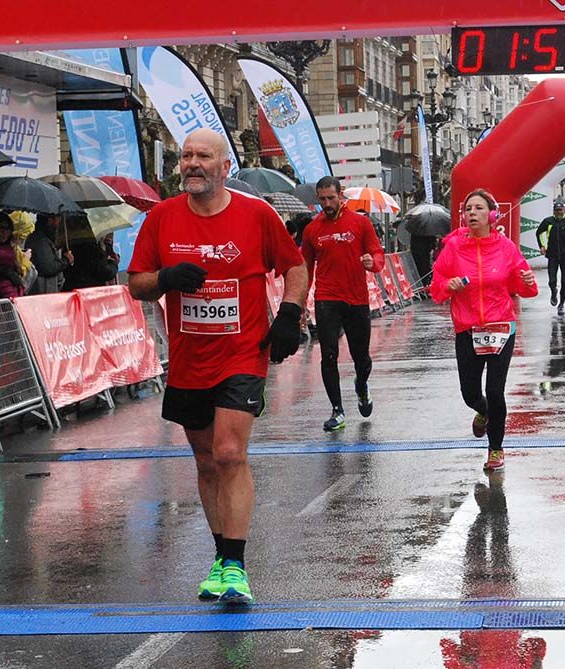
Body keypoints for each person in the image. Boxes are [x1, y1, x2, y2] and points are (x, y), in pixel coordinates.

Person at [128, 128, 307, 606]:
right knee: (205, 460)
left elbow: (294, 266)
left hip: (243, 352)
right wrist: (165, 278)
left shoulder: (257, 214)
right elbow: (137, 283)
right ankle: (221, 558)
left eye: (202, 156)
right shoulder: (162, 218)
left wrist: (290, 313)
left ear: (224, 166)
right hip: (189, 359)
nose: (191, 164)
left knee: (229, 453)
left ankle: (236, 566)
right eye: (186, 156)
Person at [431, 189, 538, 471]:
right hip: (468, 329)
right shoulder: (453, 248)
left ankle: (495, 449)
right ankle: (483, 412)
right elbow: (437, 287)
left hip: (501, 326)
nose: (472, 214)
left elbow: (526, 288)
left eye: (478, 208)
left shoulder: (506, 248)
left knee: (495, 390)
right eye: (468, 209)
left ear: (492, 215)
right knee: (470, 393)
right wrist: (448, 285)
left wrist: (526, 279)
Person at [300, 176, 385, 432]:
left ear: (341, 195)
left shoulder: (360, 223)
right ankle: (337, 410)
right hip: (327, 299)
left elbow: (377, 253)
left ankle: (361, 385)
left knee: (362, 359)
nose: (327, 203)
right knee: (328, 356)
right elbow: (306, 268)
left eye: (331, 198)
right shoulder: (312, 230)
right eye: (322, 199)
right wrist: (301, 303)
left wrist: (374, 263)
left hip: (356, 299)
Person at [535, 202, 565, 316]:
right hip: (552, 255)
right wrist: (542, 246)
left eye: (561, 210)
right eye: (557, 210)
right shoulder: (548, 221)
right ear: (554, 211)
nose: (559, 212)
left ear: (564, 211)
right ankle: (553, 292)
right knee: (552, 280)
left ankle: (561, 304)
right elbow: (539, 233)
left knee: (564, 281)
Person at [25, 214, 74, 294]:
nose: (59, 222)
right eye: (58, 219)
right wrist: (66, 260)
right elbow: (49, 267)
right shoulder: (40, 241)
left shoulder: (43, 238)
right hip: (43, 290)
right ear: (50, 220)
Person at [0, 213, 28, 299]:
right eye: (1, 228)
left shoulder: (10, 248)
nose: (5, 232)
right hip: (0, 295)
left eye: (8, 229)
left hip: (12, 293)